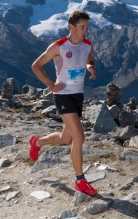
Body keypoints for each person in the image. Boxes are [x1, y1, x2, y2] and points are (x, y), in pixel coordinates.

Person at [29, 10, 98, 196]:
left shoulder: (87, 45)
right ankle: (80, 181)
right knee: (79, 137)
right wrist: (50, 84)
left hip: (78, 95)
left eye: (87, 27)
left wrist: (91, 68)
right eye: (82, 27)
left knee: (66, 139)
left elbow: (89, 59)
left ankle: (37, 142)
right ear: (71, 27)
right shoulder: (58, 46)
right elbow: (36, 65)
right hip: (63, 96)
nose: (86, 31)